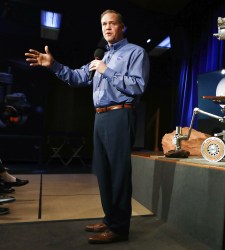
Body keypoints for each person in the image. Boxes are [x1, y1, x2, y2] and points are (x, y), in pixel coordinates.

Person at [25, 9, 150, 244]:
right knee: (103, 172)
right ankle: (109, 218)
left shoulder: (136, 53)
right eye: (104, 24)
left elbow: (137, 86)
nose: (107, 27)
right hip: (100, 117)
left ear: (122, 27)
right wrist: (52, 65)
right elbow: (75, 77)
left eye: (112, 23)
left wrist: (107, 71)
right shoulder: (99, 56)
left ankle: (120, 229)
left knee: (118, 174)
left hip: (120, 115)